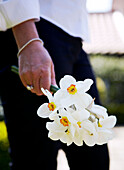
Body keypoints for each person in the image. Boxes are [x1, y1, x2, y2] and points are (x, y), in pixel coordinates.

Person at [0, 0, 109, 170]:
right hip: (37, 27)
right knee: (35, 160)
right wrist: (28, 41)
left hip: (74, 34)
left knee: (94, 157)